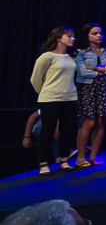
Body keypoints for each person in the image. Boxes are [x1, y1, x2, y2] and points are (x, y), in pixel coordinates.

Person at [30, 27, 79, 175]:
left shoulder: (72, 56)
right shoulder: (47, 56)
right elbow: (35, 79)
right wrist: (46, 92)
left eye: (73, 36)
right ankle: (43, 163)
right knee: (47, 131)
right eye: (69, 36)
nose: (72, 38)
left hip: (70, 97)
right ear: (58, 38)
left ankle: (64, 159)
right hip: (50, 99)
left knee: (66, 130)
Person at [73, 23, 106, 168]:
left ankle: (93, 156)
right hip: (87, 87)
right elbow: (83, 72)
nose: (99, 36)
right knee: (88, 122)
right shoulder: (80, 52)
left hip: (104, 87)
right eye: (95, 33)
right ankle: (80, 157)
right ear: (87, 35)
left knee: (100, 122)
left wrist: (95, 68)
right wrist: (103, 71)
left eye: (100, 33)